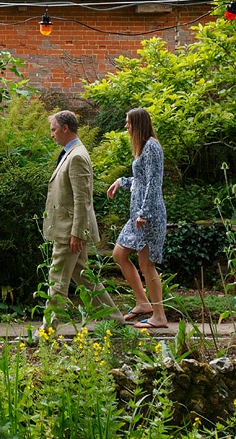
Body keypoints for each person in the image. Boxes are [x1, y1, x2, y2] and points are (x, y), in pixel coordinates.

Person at [41, 110, 120, 324]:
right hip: (71, 229)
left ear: (65, 128)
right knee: (84, 276)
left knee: (57, 277)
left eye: (54, 130)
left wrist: (76, 233)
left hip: (70, 231)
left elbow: (82, 199)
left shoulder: (76, 155)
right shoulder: (72, 153)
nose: (52, 135)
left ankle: (48, 329)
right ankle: (114, 320)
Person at [107, 107, 168, 329]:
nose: (126, 126)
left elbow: (154, 183)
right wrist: (122, 181)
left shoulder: (152, 147)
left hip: (148, 216)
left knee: (146, 263)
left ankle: (159, 315)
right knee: (119, 254)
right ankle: (143, 303)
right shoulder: (144, 148)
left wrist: (144, 213)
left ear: (139, 123)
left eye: (128, 122)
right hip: (138, 217)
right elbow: (141, 181)